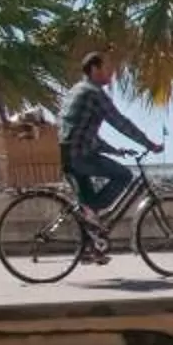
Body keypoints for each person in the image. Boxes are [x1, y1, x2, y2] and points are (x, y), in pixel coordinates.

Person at [58, 50, 157, 259]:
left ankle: (91, 245)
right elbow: (120, 122)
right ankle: (93, 220)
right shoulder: (94, 93)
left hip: (68, 155)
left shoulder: (77, 89)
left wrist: (114, 150)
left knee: (88, 204)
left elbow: (82, 132)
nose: (111, 72)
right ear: (94, 69)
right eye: (107, 68)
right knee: (124, 175)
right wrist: (149, 143)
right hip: (80, 157)